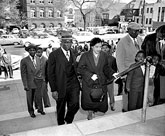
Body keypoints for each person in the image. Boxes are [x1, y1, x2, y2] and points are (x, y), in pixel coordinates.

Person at [48, 31, 81, 125]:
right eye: (65, 42)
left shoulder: (74, 52)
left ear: (71, 43)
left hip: (73, 83)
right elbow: (50, 73)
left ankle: (68, 119)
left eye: (69, 42)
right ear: (61, 43)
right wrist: (53, 89)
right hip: (60, 85)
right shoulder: (53, 55)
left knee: (75, 105)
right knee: (61, 107)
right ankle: (61, 124)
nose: (67, 44)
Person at [78, 37, 115, 120]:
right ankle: (90, 112)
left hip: (100, 80)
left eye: (100, 47)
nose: (99, 49)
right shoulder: (85, 55)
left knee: (99, 97)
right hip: (89, 81)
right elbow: (80, 68)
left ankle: (96, 110)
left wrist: (113, 73)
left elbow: (106, 67)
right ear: (92, 47)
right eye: (97, 47)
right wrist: (90, 75)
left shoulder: (104, 55)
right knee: (89, 99)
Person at [116, 22, 143, 112]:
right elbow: (119, 60)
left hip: (139, 73)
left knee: (137, 96)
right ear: (129, 30)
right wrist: (123, 75)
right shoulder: (122, 42)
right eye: (135, 31)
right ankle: (126, 111)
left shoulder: (140, 39)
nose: (137, 33)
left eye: (138, 31)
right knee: (127, 95)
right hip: (128, 73)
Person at [20, 44, 45, 118]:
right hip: (29, 82)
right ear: (28, 51)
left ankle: (40, 109)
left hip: (38, 82)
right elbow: (23, 74)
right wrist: (25, 85)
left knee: (39, 96)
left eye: (34, 50)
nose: (32, 51)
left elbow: (40, 69)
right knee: (30, 98)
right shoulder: (24, 60)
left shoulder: (38, 58)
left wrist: (42, 78)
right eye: (30, 50)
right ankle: (31, 111)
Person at [141, 25, 165, 100]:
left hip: (163, 68)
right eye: (158, 35)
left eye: (162, 36)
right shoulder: (149, 38)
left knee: (163, 90)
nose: (160, 37)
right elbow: (144, 50)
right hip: (153, 68)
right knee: (154, 89)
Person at [101, 42, 117, 111]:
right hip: (101, 80)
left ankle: (112, 104)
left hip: (110, 80)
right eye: (103, 48)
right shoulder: (98, 58)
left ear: (109, 49)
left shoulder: (112, 59)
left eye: (106, 48)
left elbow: (114, 69)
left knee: (111, 93)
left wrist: (112, 77)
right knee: (102, 94)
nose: (104, 49)